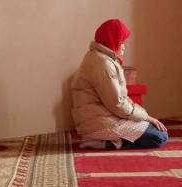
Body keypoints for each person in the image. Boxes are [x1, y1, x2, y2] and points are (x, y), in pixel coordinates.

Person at [71, 19, 168, 150]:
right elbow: (117, 104)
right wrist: (146, 117)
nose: (123, 46)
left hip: (103, 117)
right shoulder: (103, 64)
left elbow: (119, 100)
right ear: (112, 40)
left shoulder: (100, 58)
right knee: (159, 136)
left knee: (154, 129)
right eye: (122, 42)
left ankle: (109, 140)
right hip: (100, 122)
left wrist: (144, 117)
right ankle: (105, 142)